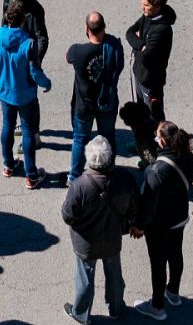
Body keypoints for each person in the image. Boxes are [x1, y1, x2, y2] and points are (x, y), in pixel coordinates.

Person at [61, 136, 137, 324]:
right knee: (114, 276)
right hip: (112, 237)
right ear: (110, 157)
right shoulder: (125, 178)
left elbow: (67, 215)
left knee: (85, 279)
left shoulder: (79, 186)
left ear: (89, 159)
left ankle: (80, 313)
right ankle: (116, 308)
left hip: (85, 242)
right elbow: (135, 207)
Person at [0, 0, 53, 188]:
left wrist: (0, 79)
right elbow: (34, 72)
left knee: (7, 126)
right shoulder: (29, 44)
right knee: (28, 131)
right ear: (23, 20)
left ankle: (8, 164)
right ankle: (31, 175)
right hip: (25, 95)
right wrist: (46, 83)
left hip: (5, 91)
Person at [131, 121, 192, 321]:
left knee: (158, 264)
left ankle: (157, 306)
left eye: (157, 135)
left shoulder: (155, 171)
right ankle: (173, 293)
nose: (155, 138)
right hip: (179, 217)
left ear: (163, 141)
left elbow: (147, 204)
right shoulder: (187, 157)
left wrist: (139, 226)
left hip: (159, 225)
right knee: (176, 255)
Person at [65, 12, 123, 184]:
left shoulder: (78, 51)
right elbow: (118, 66)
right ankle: (108, 170)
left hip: (85, 105)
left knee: (80, 139)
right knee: (108, 136)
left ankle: (74, 176)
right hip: (108, 101)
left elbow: (68, 57)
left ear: (87, 29)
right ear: (104, 27)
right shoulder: (114, 47)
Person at [125, 0, 174, 123]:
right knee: (141, 113)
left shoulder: (162, 29)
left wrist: (138, 46)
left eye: (146, 5)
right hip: (139, 74)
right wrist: (141, 45)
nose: (143, 8)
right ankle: (144, 142)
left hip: (151, 81)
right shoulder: (147, 17)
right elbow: (129, 32)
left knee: (154, 115)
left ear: (157, 6)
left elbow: (147, 55)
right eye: (142, 4)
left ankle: (160, 143)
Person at [3, 0, 49, 65]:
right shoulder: (7, 1)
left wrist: (35, 63)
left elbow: (42, 38)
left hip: (27, 56)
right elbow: (4, 25)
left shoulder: (36, 9)